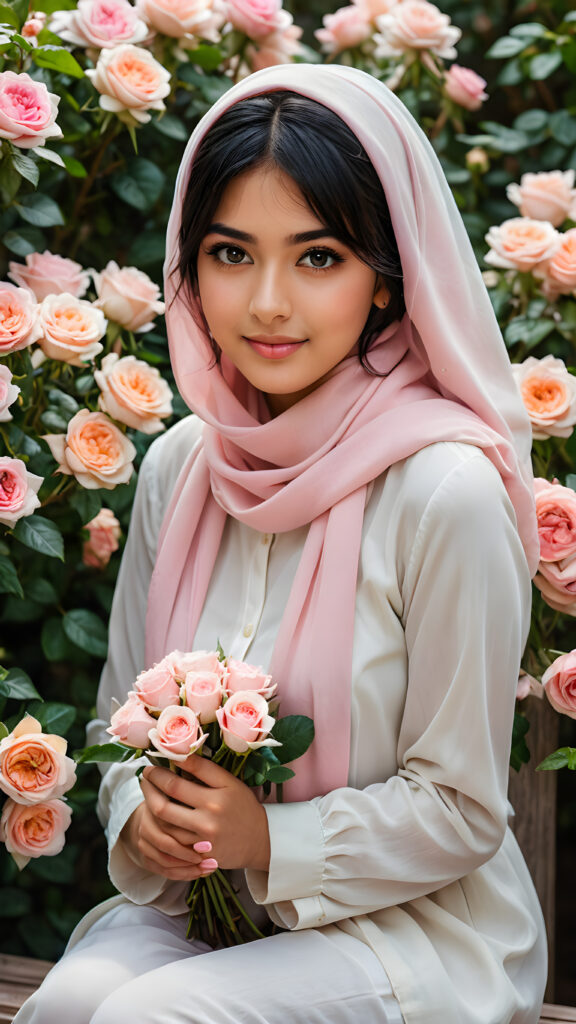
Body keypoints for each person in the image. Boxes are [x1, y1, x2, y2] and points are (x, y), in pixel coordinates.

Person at [15, 64, 547, 1024]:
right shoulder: (184, 466)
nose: (266, 303)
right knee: (69, 1007)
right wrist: (146, 817)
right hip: (209, 916)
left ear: (386, 279)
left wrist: (269, 839)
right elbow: (114, 728)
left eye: (318, 258)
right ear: (189, 265)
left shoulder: (445, 491)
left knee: (146, 1020)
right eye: (230, 252)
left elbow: (462, 810)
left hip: (417, 934)